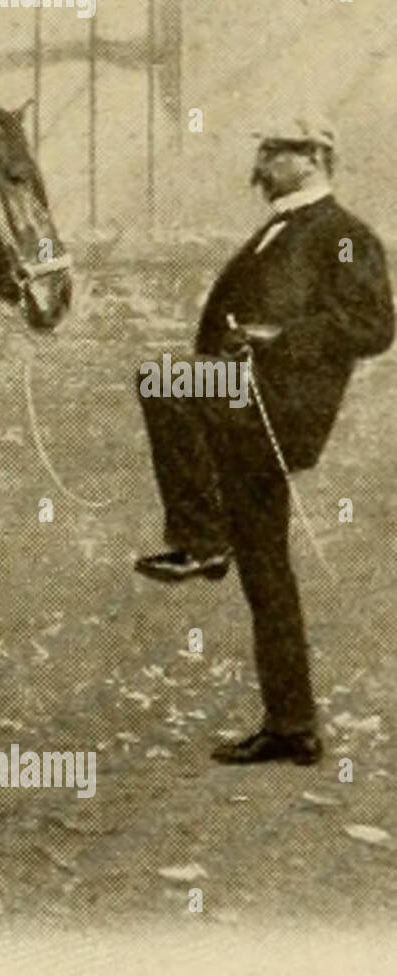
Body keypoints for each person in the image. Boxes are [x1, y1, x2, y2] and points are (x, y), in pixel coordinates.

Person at [134, 116, 395, 765]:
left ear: (313, 157)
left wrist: (284, 338)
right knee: (267, 572)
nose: (260, 162)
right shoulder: (280, 228)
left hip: (280, 406)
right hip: (241, 406)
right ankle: (292, 725)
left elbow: (373, 324)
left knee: (161, 379)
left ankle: (199, 539)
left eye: (274, 150)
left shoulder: (341, 235)